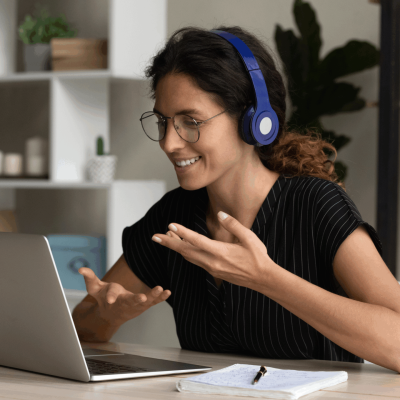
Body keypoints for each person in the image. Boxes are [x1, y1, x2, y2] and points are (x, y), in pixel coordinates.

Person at [72, 26, 400, 373]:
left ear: (254, 121)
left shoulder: (316, 205)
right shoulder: (174, 216)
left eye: (191, 121)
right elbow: (81, 328)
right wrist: (108, 316)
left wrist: (267, 278)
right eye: (163, 122)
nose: (169, 143)